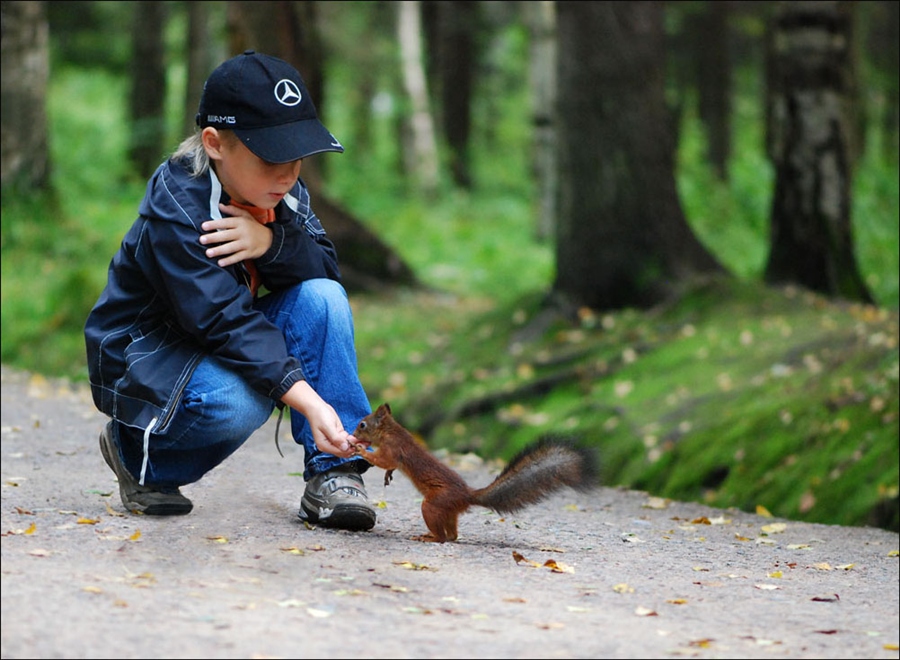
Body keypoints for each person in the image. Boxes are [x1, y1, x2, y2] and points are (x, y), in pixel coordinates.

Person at [84, 50, 376, 531]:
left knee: (322, 297)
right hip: (154, 357)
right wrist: (306, 398)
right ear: (215, 143)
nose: (288, 174)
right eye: (271, 158)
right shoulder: (178, 208)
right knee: (239, 399)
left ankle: (335, 470)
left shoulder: (279, 192)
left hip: (224, 340)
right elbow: (220, 318)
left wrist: (270, 242)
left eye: (297, 156)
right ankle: (139, 454)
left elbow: (326, 267)